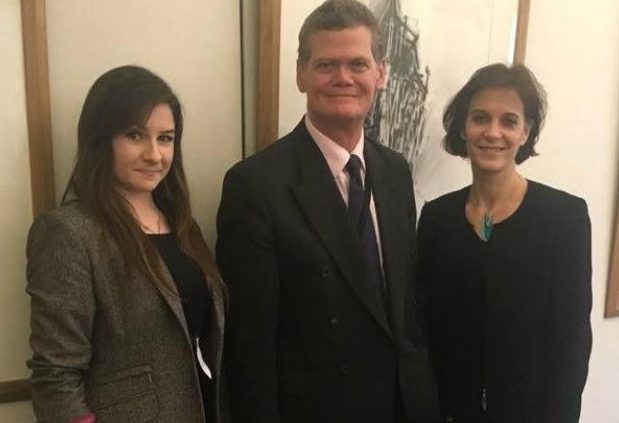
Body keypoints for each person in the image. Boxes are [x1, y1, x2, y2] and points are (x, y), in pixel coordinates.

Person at [216, 1, 439, 422]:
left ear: (381, 73)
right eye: (325, 65)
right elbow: (251, 351)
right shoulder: (255, 186)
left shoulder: (394, 171)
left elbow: (404, 305)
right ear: (300, 74)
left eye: (358, 63)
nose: (343, 78)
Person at [26, 65, 226, 423]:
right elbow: (55, 375)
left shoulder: (182, 224)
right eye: (136, 135)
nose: (154, 154)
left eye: (165, 138)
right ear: (101, 140)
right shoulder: (68, 232)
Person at [416, 63, 592, 423]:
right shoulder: (436, 219)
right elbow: (424, 334)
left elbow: (571, 349)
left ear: (525, 132)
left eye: (508, 121)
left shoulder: (564, 219)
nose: (492, 132)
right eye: (480, 118)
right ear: (463, 128)